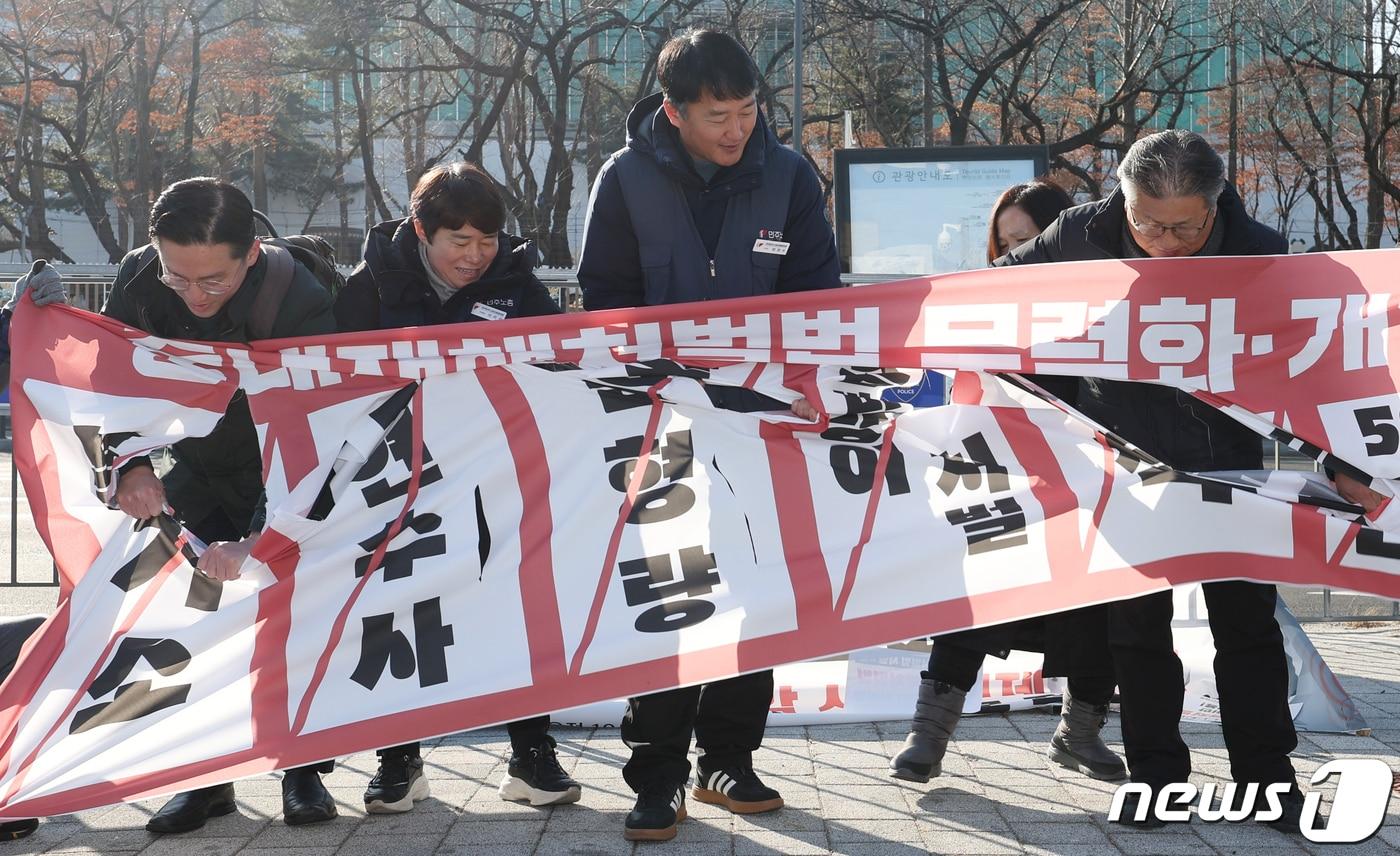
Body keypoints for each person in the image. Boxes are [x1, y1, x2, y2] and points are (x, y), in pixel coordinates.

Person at [998, 130, 1308, 832]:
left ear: (1215, 206)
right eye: (1147, 225)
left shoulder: (1260, 251)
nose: (1165, 244)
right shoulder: (1077, 235)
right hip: (1126, 460)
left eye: (1185, 229)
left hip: (1233, 462)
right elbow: (996, 294)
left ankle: (1267, 775)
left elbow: (1308, 360)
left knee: (1247, 628)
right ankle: (1156, 775)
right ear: (1123, 199)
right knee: (1137, 632)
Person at [576, 28, 840, 842]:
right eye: (718, 115)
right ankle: (656, 773)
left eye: (748, 110)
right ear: (674, 112)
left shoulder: (789, 176)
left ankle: (728, 758)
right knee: (671, 591)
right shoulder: (624, 181)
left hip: (761, 426)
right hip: (661, 427)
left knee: (755, 586)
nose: (737, 129)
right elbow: (604, 303)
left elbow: (817, 297)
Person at [335, 162, 582, 815]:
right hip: (399, 479)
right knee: (401, 609)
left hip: (497, 473)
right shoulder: (370, 286)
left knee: (516, 604)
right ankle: (398, 760)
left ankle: (532, 755)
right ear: (422, 231)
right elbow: (334, 384)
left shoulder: (519, 286)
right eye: (459, 241)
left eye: (487, 240)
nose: (475, 256)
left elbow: (558, 370)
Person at [100, 178, 339, 833]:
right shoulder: (140, 280)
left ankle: (302, 768)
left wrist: (262, 538)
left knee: (289, 616)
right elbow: (109, 382)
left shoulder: (298, 300)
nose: (195, 297)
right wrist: (131, 464)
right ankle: (203, 778)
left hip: (280, 467)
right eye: (178, 277)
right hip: (195, 468)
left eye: (214, 281)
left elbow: (322, 433)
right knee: (190, 618)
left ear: (251, 253)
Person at [890, 179, 1127, 786]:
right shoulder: (982, 309)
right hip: (1000, 476)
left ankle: (1081, 732)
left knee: (1096, 605)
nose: (1015, 257)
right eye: (1004, 244)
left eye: (1029, 241)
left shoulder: (1104, 308)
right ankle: (928, 735)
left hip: (1086, 481)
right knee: (974, 597)